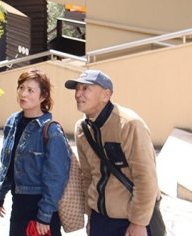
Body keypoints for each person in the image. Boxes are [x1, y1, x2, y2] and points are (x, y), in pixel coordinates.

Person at [66, 70, 159, 236]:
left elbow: (146, 178)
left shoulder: (129, 124)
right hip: (99, 219)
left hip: (129, 221)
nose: (78, 94)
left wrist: (138, 222)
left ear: (105, 95)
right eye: (77, 89)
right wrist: (90, 216)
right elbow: (87, 175)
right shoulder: (82, 129)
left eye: (86, 88)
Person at [0, 68, 71, 236]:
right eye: (21, 88)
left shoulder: (51, 131)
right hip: (19, 203)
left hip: (41, 206)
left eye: (30, 90)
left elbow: (57, 176)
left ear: (43, 97)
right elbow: (6, 162)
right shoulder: (12, 122)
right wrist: (0, 194)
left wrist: (44, 215)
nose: (24, 94)